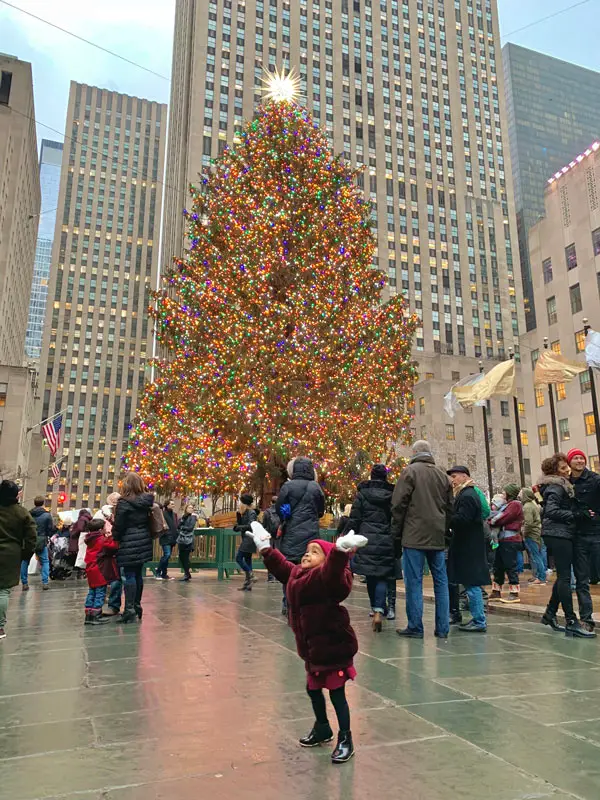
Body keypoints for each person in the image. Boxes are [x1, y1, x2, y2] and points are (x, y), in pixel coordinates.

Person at [249, 520, 368, 764]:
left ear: (325, 560)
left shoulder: (325, 578)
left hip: (333, 647)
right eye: (306, 551)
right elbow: (281, 566)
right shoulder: (297, 575)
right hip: (313, 649)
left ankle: (346, 738)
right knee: (312, 689)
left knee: (336, 693)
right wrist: (265, 548)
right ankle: (323, 727)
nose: (307, 555)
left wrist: (338, 552)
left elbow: (333, 572)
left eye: (315, 552)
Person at [391, 440, 453, 639]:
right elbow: (450, 508)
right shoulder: (443, 476)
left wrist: (396, 533)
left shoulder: (409, 472)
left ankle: (416, 626)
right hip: (437, 535)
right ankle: (443, 627)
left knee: (414, 581)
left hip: (414, 535)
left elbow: (398, 505)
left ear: (415, 453)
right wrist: (444, 529)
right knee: (441, 582)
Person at [539, 454, 595, 638]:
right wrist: (576, 515)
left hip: (561, 533)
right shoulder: (556, 486)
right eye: (563, 468)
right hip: (559, 533)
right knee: (564, 577)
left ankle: (550, 613)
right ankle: (571, 620)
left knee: (563, 575)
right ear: (555, 471)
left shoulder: (559, 486)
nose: (567, 471)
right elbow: (551, 511)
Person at [346, 464, 395, 632]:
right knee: (382, 576)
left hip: (366, 539)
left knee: (370, 576)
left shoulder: (362, 495)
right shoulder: (392, 494)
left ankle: (375, 608)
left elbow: (354, 518)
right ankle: (380, 610)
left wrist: (347, 535)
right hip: (385, 538)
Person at [276, 457, 325, 614]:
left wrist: (288, 516)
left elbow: (281, 509)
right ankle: (306, 601)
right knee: (310, 568)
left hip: (291, 533)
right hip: (311, 534)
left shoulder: (287, 486)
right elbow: (321, 510)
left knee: (290, 569)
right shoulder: (315, 487)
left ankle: (288, 602)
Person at [446, 466, 490, 632]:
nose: (453, 480)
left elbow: (463, 520)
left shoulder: (467, 495)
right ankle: (478, 618)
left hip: (468, 546)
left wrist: (448, 518)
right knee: (471, 584)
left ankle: (479, 620)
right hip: (469, 545)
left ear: (465, 476)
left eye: (455, 476)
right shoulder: (467, 493)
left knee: (472, 584)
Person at [112, 472, 154, 623]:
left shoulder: (124, 503)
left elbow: (119, 525)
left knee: (129, 575)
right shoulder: (146, 501)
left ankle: (129, 610)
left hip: (128, 540)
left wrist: (115, 537)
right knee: (138, 575)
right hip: (144, 539)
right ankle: (137, 607)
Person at [567, 448, 600, 630]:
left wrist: (596, 517)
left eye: (582, 458)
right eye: (576, 458)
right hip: (578, 535)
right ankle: (587, 619)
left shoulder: (595, 479)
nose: (579, 461)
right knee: (582, 580)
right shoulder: (566, 483)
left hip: (596, 533)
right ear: (570, 462)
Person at [0, 481, 37, 639]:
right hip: (10, 554)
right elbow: (31, 538)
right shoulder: (22, 513)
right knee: (3, 590)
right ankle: (0, 627)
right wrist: (25, 555)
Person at [489, 484, 524, 604]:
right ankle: (496, 591)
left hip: (510, 540)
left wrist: (491, 521)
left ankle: (514, 592)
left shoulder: (515, 505)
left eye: (504, 493)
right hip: (503, 540)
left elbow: (503, 518)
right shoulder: (509, 505)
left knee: (510, 566)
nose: (503, 495)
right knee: (498, 565)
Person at [83, 518, 119, 625]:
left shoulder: (90, 539)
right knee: (100, 593)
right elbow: (113, 546)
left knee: (92, 592)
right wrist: (112, 536)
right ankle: (96, 615)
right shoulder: (101, 540)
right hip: (100, 570)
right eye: (104, 528)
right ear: (100, 529)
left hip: (91, 569)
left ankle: (89, 614)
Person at [21, 496, 53, 591]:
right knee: (45, 561)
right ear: (43, 503)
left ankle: (24, 583)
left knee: (25, 560)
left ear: (34, 503)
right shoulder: (47, 515)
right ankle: (45, 582)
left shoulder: (28, 514)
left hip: (28, 540)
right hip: (41, 540)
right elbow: (50, 529)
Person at [521, 488, 545, 585]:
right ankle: (539, 575)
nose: (519, 495)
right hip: (536, 532)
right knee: (536, 555)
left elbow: (528, 523)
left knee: (536, 556)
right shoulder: (532, 505)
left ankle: (541, 577)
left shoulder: (527, 507)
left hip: (532, 534)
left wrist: (524, 533)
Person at [234, 493, 258, 591]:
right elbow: (240, 525)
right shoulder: (243, 512)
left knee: (239, 557)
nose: (239, 503)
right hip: (246, 538)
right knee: (248, 560)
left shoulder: (251, 512)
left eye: (241, 501)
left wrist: (239, 527)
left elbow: (251, 525)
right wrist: (238, 516)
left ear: (244, 503)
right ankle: (248, 584)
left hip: (250, 538)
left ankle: (251, 575)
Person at [156, 499, 178, 580]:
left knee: (167, 556)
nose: (173, 505)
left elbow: (176, 525)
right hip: (165, 538)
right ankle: (158, 571)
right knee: (167, 555)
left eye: (173, 504)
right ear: (167, 505)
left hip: (172, 538)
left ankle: (164, 574)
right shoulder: (163, 514)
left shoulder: (174, 514)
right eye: (171, 504)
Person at [176, 503, 198, 582]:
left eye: (192, 508)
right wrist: (182, 523)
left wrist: (182, 527)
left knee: (185, 557)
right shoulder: (183, 517)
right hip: (181, 539)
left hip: (189, 539)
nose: (191, 509)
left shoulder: (193, 517)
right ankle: (187, 573)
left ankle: (186, 574)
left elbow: (190, 528)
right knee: (181, 556)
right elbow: (177, 526)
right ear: (186, 508)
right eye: (189, 507)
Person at [261, 496, 281, 582]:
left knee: (269, 556)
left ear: (271, 502)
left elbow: (264, 525)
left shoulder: (267, 512)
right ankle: (278, 576)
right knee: (279, 556)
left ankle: (270, 577)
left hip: (269, 537)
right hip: (279, 537)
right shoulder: (281, 512)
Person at [68, 509, 92, 579]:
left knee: (79, 554)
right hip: (85, 536)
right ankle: (81, 572)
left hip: (79, 537)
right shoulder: (88, 519)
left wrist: (73, 533)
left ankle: (76, 571)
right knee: (82, 554)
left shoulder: (81, 519)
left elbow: (80, 528)